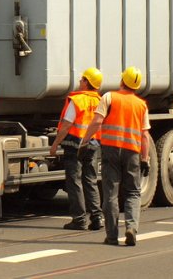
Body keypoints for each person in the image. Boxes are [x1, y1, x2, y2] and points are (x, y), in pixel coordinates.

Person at [79, 66, 151, 247]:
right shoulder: (141, 105)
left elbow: (96, 121)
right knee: (133, 192)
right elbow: (144, 136)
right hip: (133, 152)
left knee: (111, 193)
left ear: (122, 81)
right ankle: (131, 228)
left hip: (110, 150)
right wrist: (145, 159)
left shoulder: (108, 97)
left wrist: (84, 142)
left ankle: (111, 236)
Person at [49, 67, 105, 231]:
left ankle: (79, 219)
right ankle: (97, 218)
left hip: (75, 144)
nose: (80, 81)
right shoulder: (99, 101)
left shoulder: (77, 100)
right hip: (92, 143)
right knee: (90, 180)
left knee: (74, 181)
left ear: (87, 82)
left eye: (82, 79)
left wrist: (54, 145)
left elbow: (66, 125)